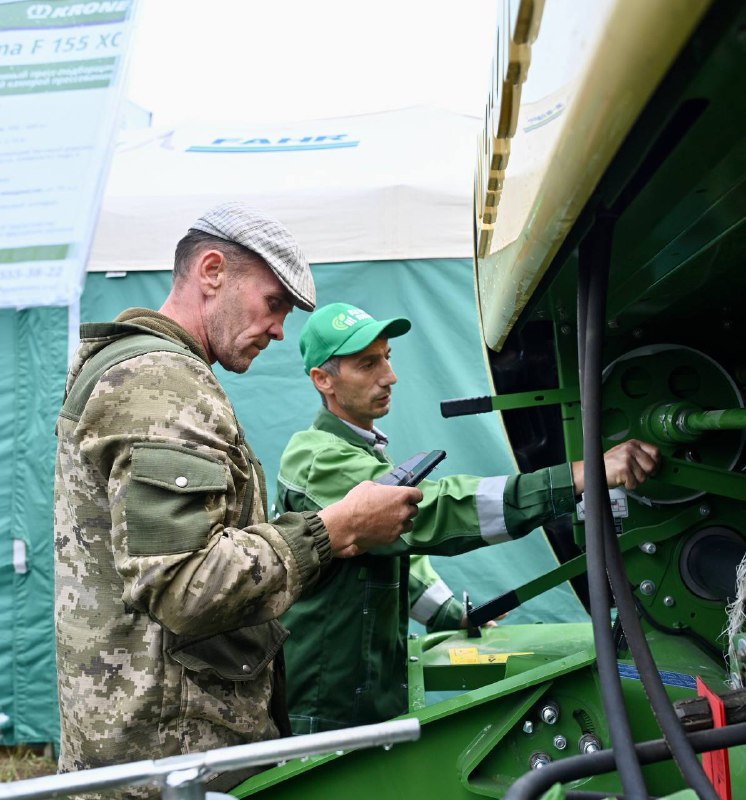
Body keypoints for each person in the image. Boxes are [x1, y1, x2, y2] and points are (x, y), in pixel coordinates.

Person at [53, 205, 422, 798]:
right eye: (273, 303)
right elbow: (184, 586)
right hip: (174, 760)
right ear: (212, 271)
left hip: (158, 746)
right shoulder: (160, 382)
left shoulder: (143, 370)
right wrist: (334, 529)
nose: (279, 331)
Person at [276, 302, 662, 734]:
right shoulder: (319, 459)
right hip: (325, 711)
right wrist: (576, 477)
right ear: (323, 380)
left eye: (387, 357)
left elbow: (395, 546)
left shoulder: (357, 450)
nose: (390, 376)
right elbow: (436, 511)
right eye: (368, 364)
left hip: (363, 699)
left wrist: (451, 613)